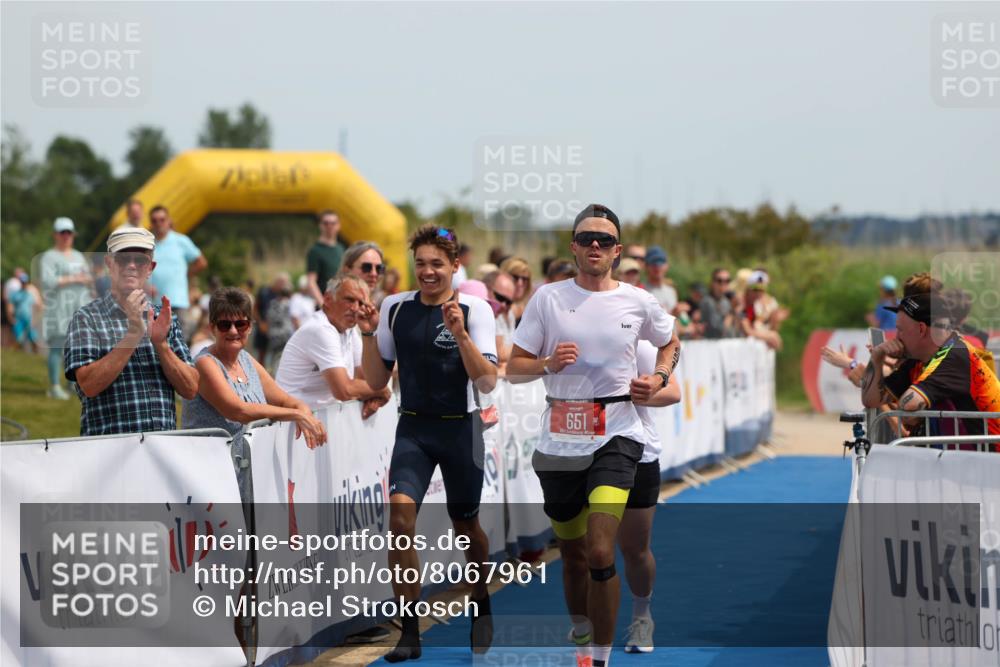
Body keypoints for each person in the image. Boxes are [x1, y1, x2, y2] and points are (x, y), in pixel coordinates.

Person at [507, 204, 680, 667]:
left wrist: (659, 379)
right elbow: (513, 367)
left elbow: (670, 341)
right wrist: (547, 364)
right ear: (574, 247)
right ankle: (583, 635)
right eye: (586, 239)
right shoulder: (548, 299)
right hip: (560, 437)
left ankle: (598, 657)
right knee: (575, 554)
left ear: (618, 250)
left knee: (606, 549)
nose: (595, 246)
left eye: (604, 240)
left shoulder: (638, 301)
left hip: (618, 432)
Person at [358, 225, 498, 662]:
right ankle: (410, 631)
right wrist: (366, 333)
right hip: (413, 431)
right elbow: (377, 380)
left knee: (466, 528)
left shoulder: (475, 309)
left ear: (455, 266)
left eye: (437, 263)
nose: (428, 272)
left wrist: (460, 334)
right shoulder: (395, 308)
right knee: (399, 525)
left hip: (461, 430)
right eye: (420, 264)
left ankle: (480, 598)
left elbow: (488, 381)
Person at [183, 287, 327, 496]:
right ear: (212, 328)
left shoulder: (247, 360)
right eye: (225, 325)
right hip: (215, 480)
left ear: (250, 327)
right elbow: (238, 411)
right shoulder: (205, 363)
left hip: (254, 476)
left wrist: (302, 410)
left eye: (241, 324)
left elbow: (286, 400)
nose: (234, 331)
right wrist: (295, 415)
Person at [64, 227, 199, 435]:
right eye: (123, 259)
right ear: (110, 264)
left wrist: (162, 345)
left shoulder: (164, 318)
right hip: (110, 453)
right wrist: (133, 334)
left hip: (163, 453)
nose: (132, 266)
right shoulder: (86, 318)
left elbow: (190, 388)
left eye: (141, 260)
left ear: (150, 267)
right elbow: (88, 385)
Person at [862, 292, 1000, 442]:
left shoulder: (955, 355)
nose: (896, 337)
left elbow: (908, 408)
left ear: (921, 329)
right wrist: (877, 357)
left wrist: (910, 413)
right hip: (969, 458)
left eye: (900, 329)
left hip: (990, 458)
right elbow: (871, 400)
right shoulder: (917, 358)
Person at [620, 339, 681, 654]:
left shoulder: (637, 342)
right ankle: (585, 625)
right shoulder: (563, 331)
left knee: (634, 550)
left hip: (638, 456)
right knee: (588, 549)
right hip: (582, 454)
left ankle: (642, 615)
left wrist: (639, 394)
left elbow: (673, 391)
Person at [276, 275, 390, 417]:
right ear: (328, 299)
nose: (355, 308)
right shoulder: (321, 328)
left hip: (315, 420)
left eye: (361, 303)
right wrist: (381, 390)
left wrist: (369, 332)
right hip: (292, 424)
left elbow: (366, 378)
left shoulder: (347, 329)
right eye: (349, 300)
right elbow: (344, 390)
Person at [38, 217, 94, 399]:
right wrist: (73, 278)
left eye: (69, 232)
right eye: (63, 233)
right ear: (55, 235)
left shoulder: (78, 256)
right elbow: (47, 281)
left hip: (78, 307)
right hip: (58, 309)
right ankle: (54, 386)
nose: (66, 236)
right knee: (57, 347)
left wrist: (85, 279)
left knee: (75, 347)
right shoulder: (49, 256)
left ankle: (72, 384)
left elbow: (87, 277)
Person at [149, 205, 208, 324]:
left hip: (177, 302)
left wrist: (186, 274)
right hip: (153, 304)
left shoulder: (180, 241)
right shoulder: (147, 245)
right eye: (154, 221)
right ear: (151, 223)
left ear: (169, 220)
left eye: (162, 219)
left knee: (179, 341)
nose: (158, 223)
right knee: (154, 342)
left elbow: (201, 262)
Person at [305, 210, 346, 304]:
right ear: (320, 225)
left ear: (338, 226)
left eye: (333, 223)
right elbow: (311, 282)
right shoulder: (315, 251)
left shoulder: (341, 249)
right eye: (326, 223)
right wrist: (322, 304)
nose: (329, 226)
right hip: (325, 303)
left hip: (340, 303)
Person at [482, 271, 517, 371]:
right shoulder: (489, 313)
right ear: (486, 289)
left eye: (509, 302)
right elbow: (501, 354)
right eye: (500, 298)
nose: (503, 305)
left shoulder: (508, 313)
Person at [341, 241, 386, 306]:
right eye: (366, 267)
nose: (374, 274)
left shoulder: (387, 307)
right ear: (347, 270)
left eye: (379, 268)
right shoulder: (332, 308)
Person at [265, 273, 293, 372]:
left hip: (274, 336)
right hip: (287, 335)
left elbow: (268, 319)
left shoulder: (272, 304)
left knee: (274, 361)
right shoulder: (291, 304)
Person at [9, 270, 40, 353]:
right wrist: (11, 317)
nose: (24, 284)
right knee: (19, 337)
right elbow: (11, 306)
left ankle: (35, 353)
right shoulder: (15, 294)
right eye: (22, 282)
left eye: (25, 282)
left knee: (32, 337)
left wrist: (35, 318)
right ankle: (21, 353)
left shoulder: (31, 293)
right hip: (18, 318)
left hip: (29, 318)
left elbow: (37, 306)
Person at [699, 268, 734, 339]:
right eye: (719, 281)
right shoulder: (707, 301)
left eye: (727, 281)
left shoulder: (726, 301)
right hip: (709, 345)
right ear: (712, 282)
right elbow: (717, 330)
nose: (723, 284)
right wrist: (731, 313)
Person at [642, 246, 677, 313]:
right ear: (646, 266)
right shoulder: (641, 290)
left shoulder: (672, 290)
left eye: (661, 262)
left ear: (667, 265)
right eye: (653, 263)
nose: (657, 266)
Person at [498, 256, 532, 324]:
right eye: (515, 277)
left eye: (524, 279)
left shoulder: (529, 307)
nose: (520, 283)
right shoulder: (498, 309)